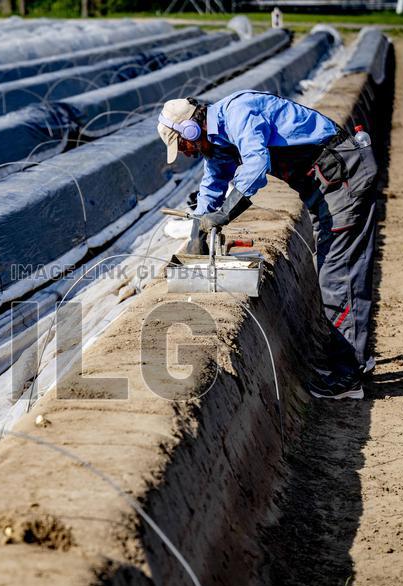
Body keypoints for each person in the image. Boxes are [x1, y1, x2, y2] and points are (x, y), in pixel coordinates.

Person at [156, 92, 378, 400]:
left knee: (340, 276)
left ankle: (349, 375)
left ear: (191, 129)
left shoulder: (237, 113)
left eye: (184, 145)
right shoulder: (217, 143)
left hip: (343, 180)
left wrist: (226, 212)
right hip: (327, 188)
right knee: (332, 270)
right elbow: (214, 182)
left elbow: (256, 163)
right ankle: (352, 362)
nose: (187, 153)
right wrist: (201, 223)